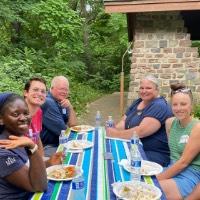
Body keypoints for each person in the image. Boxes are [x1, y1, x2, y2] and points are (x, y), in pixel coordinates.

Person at [106, 75, 173, 167]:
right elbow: (124, 122)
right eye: (141, 88)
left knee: (116, 161)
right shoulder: (138, 102)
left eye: (148, 88)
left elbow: (140, 131)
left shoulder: (159, 105)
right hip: (134, 147)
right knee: (107, 154)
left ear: (157, 90)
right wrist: (114, 130)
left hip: (152, 153)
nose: (144, 91)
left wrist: (115, 134)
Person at [157, 83, 200, 199]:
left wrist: (156, 179)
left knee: (151, 188)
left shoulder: (197, 128)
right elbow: (174, 154)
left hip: (190, 174)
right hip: (172, 168)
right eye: (175, 104)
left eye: (183, 104)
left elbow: (183, 163)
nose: (179, 108)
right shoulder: (170, 123)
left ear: (192, 106)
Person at [0, 93, 47, 199]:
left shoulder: (17, 138)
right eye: (15, 114)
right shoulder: (2, 151)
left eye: (26, 113)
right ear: (1, 119)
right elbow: (39, 186)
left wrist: (49, 162)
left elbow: (29, 166)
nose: (23, 118)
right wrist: (32, 146)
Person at [23, 77, 62, 166]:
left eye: (43, 91)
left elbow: (37, 137)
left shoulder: (39, 112)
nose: (39, 94)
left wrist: (41, 158)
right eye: (35, 90)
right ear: (25, 93)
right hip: (19, 163)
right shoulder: (17, 115)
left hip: (34, 157)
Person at [41, 76, 77, 156]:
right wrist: (78, 140)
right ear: (52, 88)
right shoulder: (48, 102)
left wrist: (70, 107)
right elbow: (64, 131)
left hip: (59, 142)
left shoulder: (61, 101)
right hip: (48, 147)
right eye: (61, 89)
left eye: (66, 89)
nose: (64, 92)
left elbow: (73, 125)